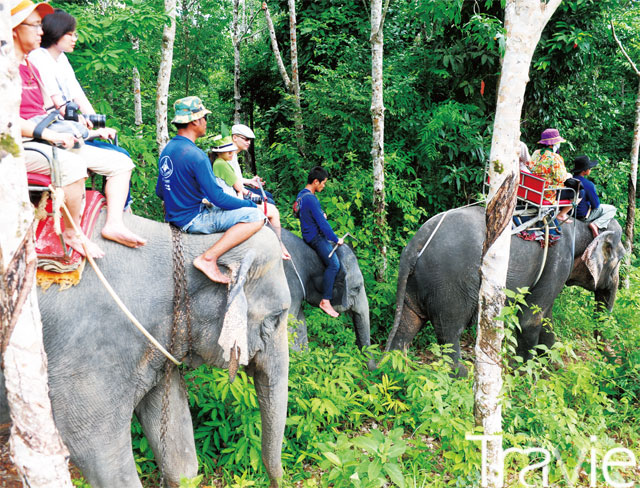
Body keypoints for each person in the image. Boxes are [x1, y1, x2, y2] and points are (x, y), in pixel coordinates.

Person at [12, 0, 146, 257]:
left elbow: (62, 102)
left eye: (43, 26)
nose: (41, 32)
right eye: (35, 25)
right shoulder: (10, 67)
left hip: (44, 136)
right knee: (74, 166)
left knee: (121, 163)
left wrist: (87, 127)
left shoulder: (30, 65)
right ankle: (73, 232)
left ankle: (114, 223)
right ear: (14, 29)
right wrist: (53, 133)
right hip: (19, 143)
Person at [156, 97, 266, 284]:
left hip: (176, 216)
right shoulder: (196, 156)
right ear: (195, 121)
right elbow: (218, 199)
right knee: (256, 217)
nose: (206, 122)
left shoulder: (168, 150)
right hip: (194, 219)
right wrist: (247, 203)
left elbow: (160, 191)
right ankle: (209, 258)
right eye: (204, 118)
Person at [210, 135, 290, 259]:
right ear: (220, 152)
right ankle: (279, 245)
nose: (232, 153)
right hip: (232, 203)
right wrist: (258, 199)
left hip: (232, 200)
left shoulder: (220, 162)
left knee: (265, 204)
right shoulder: (222, 165)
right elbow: (240, 188)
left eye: (232, 150)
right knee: (273, 212)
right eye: (228, 151)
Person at [296, 166, 343, 318]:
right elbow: (323, 225)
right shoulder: (311, 198)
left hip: (307, 234)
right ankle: (326, 300)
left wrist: (318, 214)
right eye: (323, 183)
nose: (324, 186)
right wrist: (336, 239)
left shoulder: (301, 195)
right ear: (316, 181)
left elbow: (296, 211)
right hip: (315, 237)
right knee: (334, 264)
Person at [528, 128, 575, 222]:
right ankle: (562, 214)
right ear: (553, 144)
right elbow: (561, 178)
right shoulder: (555, 157)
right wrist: (569, 175)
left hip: (533, 189)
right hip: (547, 193)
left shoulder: (536, 153)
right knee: (579, 192)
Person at [572, 155, 617, 238]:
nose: (591, 169)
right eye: (589, 168)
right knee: (612, 209)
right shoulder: (588, 184)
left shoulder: (569, 180)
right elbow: (596, 205)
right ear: (584, 171)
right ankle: (596, 224)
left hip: (570, 212)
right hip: (582, 215)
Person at [230, 124, 275, 204]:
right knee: (268, 202)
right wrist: (249, 193)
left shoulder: (234, 154)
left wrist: (250, 181)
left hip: (239, 188)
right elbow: (231, 181)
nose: (249, 142)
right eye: (246, 139)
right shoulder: (228, 155)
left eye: (249, 140)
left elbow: (235, 178)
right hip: (235, 193)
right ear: (235, 138)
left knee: (268, 195)